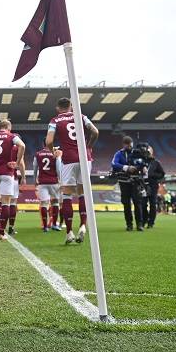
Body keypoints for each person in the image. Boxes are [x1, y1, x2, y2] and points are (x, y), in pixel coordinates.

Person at [45, 97, 98, 244]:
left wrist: (53, 150)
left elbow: (49, 141)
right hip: (85, 158)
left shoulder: (54, 121)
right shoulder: (81, 116)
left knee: (67, 195)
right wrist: (88, 147)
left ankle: (69, 232)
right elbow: (95, 132)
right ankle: (82, 226)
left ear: (58, 108)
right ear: (71, 106)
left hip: (68, 159)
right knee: (83, 193)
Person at [111, 136, 144, 231]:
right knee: (126, 204)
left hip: (136, 181)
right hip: (124, 182)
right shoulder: (119, 153)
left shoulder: (137, 153)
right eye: (128, 145)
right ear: (124, 145)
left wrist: (139, 167)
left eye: (131, 145)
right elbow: (113, 164)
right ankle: (129, 225)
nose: (130, 147)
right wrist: (126, 167)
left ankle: (139, 224)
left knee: (137, 203)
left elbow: (142, 163)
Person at [33, 143, 62, 232]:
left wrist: (35, 179)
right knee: (55, 203)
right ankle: (54, 225)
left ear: (43, 144)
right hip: (53, 181)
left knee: (44, 204)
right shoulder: (55, 153)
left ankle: (45, 226)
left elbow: (35, 167)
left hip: (42, 182)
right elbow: (58, 167)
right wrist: (60, 179)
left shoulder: (38, 154)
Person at [143, 146, 166, 228]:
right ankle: (144, 220)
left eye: (148, 152)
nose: (147, 154)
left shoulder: (156, 162)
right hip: (143, 185)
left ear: (151, 153)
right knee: (143, 204)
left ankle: (151, 222)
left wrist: (152, 175)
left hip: (153, 185)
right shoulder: (142, 162)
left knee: (152, 204)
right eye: (146, 152)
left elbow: (162, 174)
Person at [8, 139, 26, 235]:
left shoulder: (3, 145)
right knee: (13, 202)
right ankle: (11, 227)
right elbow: (21, 163)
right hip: (12, 177)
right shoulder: (17, 149)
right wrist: (23, 177)